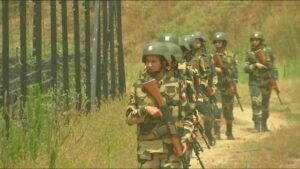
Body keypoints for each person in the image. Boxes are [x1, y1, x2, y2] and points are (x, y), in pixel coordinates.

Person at [125, 41, 192, 168]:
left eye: (154, 61)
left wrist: (185, 140)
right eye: (147, 61)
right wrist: (145, 110)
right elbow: (129, 118)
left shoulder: (178, 85)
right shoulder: (138, 87)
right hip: (147, 152)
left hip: (172, 151)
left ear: (164, 62)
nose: (149, 65)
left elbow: (189, 116)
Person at [244, 31, 278, 132]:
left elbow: (274, 66)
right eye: (253, 40)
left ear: (261, 41)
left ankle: (264, 124)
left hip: (267, 81)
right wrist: (254, 65)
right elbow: (245, 68)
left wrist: (274, 80)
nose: (254, 42)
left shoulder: (269, 51)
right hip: (254, 81)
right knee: (256, 102)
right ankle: (256, 125)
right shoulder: (249, 53)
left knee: (265, 103)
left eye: (256, 40)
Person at [211, 32, 238, 140]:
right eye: (216, 42)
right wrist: (214, 69)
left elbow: (235, 72)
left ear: (224, 43)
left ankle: (229, 132)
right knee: (216, 110)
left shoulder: (231, 56)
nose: (217, 44)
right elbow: (206, 70)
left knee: (228, 110)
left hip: (228, 86)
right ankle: (217, 133)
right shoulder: (211, 57)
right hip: (216, 86)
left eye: (219, 42)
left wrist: (233, 84)